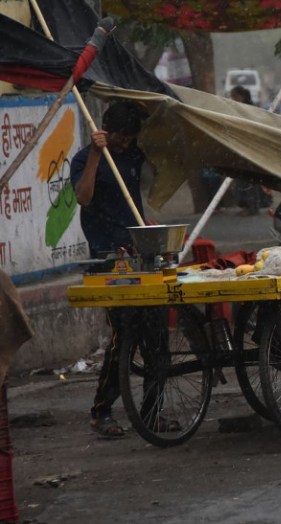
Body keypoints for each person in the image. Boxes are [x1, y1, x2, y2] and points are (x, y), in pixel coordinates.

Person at [70, 100, 147, 438]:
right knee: (123, 332)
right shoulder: (84, 159)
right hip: (107, 258)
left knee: (154, 332)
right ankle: (102, 411)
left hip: (137, 252)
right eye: (121, 138)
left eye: (130, 139)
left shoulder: (134, 154)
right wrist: (96, 154)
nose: (126, 144)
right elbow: (83, 197)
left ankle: (153, 410)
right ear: (106, 130)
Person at [229, 85, 266, 216]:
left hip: (249, 148)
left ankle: (252, 206)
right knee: (246, 179)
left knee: (249, 180)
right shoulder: (240, 109)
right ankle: (249, 205)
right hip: (243, 148)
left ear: (241, 96)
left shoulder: (247, 110)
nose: (233, 99)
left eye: (234, 97)